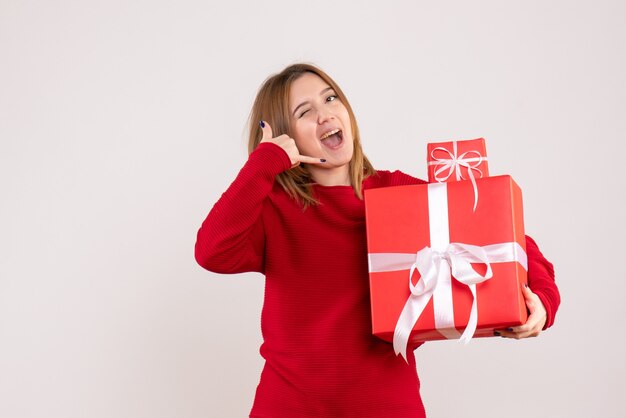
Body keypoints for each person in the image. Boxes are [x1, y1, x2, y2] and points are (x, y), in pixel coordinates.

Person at [194, 63, 560, 418]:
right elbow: (211, 251)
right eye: (305, 111)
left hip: (386, 405)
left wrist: (541, 301)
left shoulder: (396, 193)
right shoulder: (272, 209)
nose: (325, 115)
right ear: (283, 137)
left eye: (331, 98)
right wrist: (264, 163)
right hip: (288, 406)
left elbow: (506, 238)